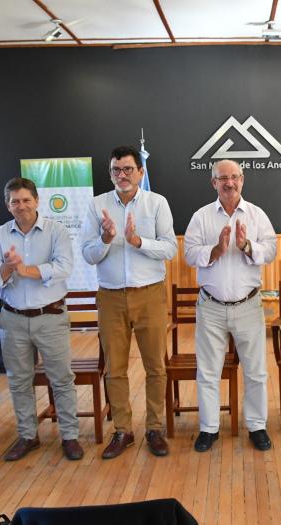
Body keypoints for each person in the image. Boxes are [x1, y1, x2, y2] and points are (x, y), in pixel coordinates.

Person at [80, 146, 177, 459]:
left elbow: (170, 249)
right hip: (110, 296)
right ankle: (123, 431)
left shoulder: (156, 202)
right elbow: (88, 254)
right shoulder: (97, 206)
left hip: (150, 293)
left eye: (127, 169)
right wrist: (106, 239)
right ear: (110, 173)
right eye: (115, 170)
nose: (121, 175)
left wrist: (137, 241)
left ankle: (155, 428)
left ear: (141, 172)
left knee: (155, 366)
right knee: (115, 369)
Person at [0, 177, 83, 461]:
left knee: (61, 379)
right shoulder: (0, 235)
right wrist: (7, 267)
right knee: (18, 381)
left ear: (37, 201)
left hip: (50, 317)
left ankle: (70, 436)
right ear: (7, 205)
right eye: (15, 201)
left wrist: (27, 271)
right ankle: (28, 436)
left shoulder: (57, 231)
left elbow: (64, 267)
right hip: (13, 319)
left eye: (26, 200)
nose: (21, 206)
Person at [183, 160, 278, 452]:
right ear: (214, 183)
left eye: (234, 177)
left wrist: (247, 245)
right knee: (208, 371)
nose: (229, 183)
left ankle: (257, 426)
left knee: (255, 371)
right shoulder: (201, 217)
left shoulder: (257, 214)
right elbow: (188, 253)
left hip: (248, 306)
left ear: (242, 180)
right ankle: (209, 429)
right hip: (210, 306)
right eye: (223, 178)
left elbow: (272, 249)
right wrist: (216, 250)